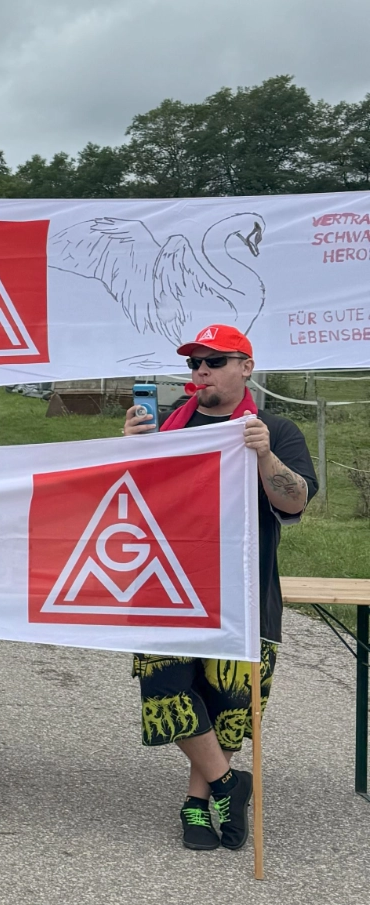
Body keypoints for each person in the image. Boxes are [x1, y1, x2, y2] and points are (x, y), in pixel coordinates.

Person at [122, 324, 314, 852]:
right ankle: (232, 782)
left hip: (242, 594)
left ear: (245, 367)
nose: (200, 371)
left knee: (228, 704)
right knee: (165, 694)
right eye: (193, 363)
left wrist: (265, 457)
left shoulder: (273, 427)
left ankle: (198, 801)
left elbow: (294, 501)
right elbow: (127, 506)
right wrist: (128, 453)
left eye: (214, 361)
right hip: (167, 589)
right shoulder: (165, 429)